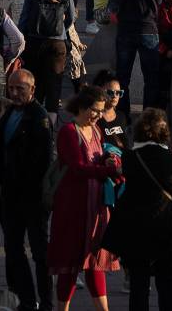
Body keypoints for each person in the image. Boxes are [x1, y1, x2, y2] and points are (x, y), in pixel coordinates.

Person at [102, 108, 172, 311]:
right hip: (166, 227)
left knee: (139, 284)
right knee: (169, 283)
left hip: (137, 227)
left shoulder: (130, 158)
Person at [47, 86, 120, 311]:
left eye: (100, 110)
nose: (98, 115)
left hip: (95, 206)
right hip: (73, 207)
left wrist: (110, 159)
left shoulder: (96, 129)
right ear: (82, 107)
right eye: (95, 110)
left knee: (94, 262)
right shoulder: (69, 131)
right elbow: (78, 168)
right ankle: (63, 308)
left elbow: (99, 157)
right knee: (70, 264)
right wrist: (107, 171)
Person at [0, 68, 53, 311]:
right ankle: (25, 299)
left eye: (20, 89)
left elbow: (43, 160)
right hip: (10, 194)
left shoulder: (39, 117)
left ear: (32, 90)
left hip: (33, 196)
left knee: (40, 252)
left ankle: (46, 302)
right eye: (11, 88)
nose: (14, 93)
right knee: (13, 248)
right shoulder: (8, 113)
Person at [108, 0, 163, 111]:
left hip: (124, 29)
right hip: (147, 28)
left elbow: (114, 1)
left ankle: (123, 115)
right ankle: (149, 115)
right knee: (152, 77)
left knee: (123, 76)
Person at [20, 0, 74, 115]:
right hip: (57, 41)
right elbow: (71, 16)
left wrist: (23, 34)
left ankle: (32, 116)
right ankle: (50, 123)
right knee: (54, 84)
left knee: (33, 80)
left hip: (35, 39)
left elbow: (26, 13)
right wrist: (61, 29)